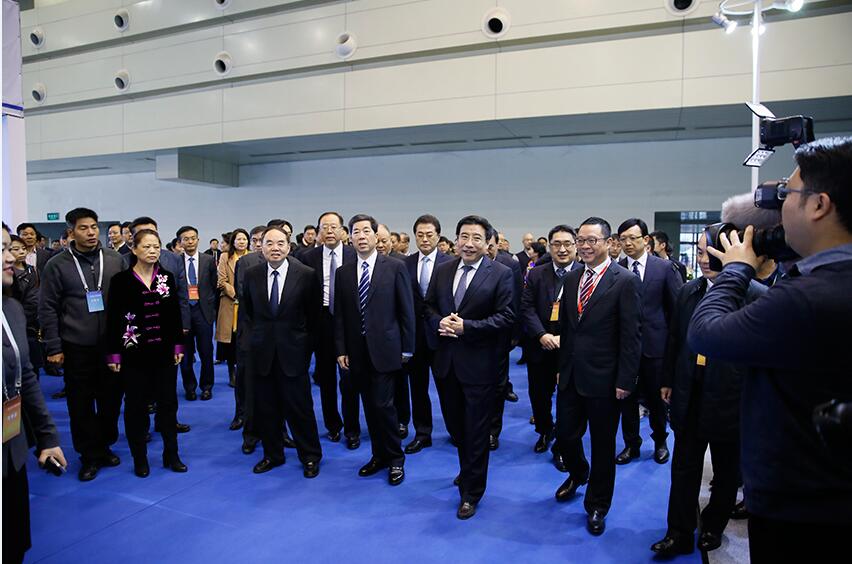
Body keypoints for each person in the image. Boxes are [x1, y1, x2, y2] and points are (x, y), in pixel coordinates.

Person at [687, 137, 852, 561]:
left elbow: (705, 332)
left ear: (819, 205)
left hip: (801, 505)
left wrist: (736, 269)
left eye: (788, 194)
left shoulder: (809, 296)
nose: (780, 208)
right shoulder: (826, 283)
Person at [650, 232, 766, 557]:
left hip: (731, 398)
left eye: (709, 252)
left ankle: (714, 524)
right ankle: (679, 532)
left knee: (726, 470)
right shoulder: (690, 290)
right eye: (699, 252)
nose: (703, 259)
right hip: (689, 392)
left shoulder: (756, 295)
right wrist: (667, 379)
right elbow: (675, 339)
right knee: (683, 467)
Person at [553, 217, 642, 536]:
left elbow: (631, 336)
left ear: (608, 242)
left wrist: (625, 381)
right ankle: (579, 472)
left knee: (603, 446)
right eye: (581, 240)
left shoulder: (625, 281)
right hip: (571, 375)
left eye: (592, 240)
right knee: (565, 435)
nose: (585, 246)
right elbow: (567, 329)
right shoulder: (572, 277)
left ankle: (597, 504)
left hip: (606, 380)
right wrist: (561, 368)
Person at [425, 215, 515, 519]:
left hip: (480, 366)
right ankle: (467, 470)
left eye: (477, 238)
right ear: (455, 240)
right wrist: (439, 322)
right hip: (446, 364)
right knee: (456, 427)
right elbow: (428, 306)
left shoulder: (500, 274)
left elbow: (507, 317)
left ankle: (472, 492)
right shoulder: (443, 270)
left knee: (476, 431)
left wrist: (468, 327)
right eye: (464, 236)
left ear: (488, 243)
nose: (469, 243)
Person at [38, 208, 126, 481]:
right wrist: (53, 346)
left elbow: (128, 301)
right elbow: (47, 307)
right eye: (83, 228)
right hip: (76, 346)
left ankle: (105, 445)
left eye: (94, 227)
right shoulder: (57, 265)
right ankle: (89, 455)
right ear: (71, 232)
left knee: (111, 400)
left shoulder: (115, 260)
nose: (90, 233)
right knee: (81, 404)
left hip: (112, 345)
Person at [2, 223, 67, 564]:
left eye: (8, 248)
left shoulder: (10, 309)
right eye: (1, 250)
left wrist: (46, 437)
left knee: (13, 543)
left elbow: (26, 378)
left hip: (11, 444)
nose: (10, 257)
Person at [334, 214, 415, 485]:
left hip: (387, 350)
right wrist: (341, 349)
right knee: (369, 406)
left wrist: (407, 347)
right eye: (356, 232)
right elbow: (341, 315)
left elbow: (406, 311)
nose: (361, 236)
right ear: (350, 237)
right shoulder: (343, 273)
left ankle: (395, 459)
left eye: (366, 231)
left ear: (375, 235)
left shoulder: (394, 267)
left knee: (384, 405)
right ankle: (378, 456)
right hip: (357, 352)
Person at [240, 227, 323, 478]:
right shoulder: (252, 274)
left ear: (288, 247)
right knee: (266, 408)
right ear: (261, 247)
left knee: (300, 408)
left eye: (280, 243)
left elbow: (313, 318)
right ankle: (272, 454)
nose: (274, 248)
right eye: (269, 243)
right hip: (262, 353)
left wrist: (305, 349)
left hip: (294, 353)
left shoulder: (306, 275)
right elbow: (249, 313)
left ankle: (310, 456)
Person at [105, 229, 187, 477]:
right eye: (147, 246)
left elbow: (174, 314)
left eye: (156, 246)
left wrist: (178, 345)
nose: (152, 251)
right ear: (134, 249)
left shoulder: (166, 277)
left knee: (168, 405)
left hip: (164, 353)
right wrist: (113, 354)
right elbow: (113, 319)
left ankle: (171, 454)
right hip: (134, 354)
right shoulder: (121, 281)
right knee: (136, 407)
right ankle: (139, 458)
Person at [615, 218, 683, 465]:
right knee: (627, 401)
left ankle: (660, 442)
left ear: (646, 240)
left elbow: (676, 311)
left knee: (657, 401)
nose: (628, 243)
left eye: (633, 238)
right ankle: (631, 444)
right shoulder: (616, 270)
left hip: (656, 348)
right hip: (625, 350)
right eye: (623, 239)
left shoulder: (664, 268)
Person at [520, 225, 582, 459]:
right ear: (549, 247)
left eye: (567, 244)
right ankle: (544, 431)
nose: (562, 249)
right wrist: (541, 334)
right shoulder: (536, 273)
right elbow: (526, 308)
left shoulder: (585, 274)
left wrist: (565, 339)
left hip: (572, 349)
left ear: (575, 246)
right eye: (556, 244)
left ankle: (564, 445)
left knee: (569, 399)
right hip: (540, 345)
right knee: (539, 395)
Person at [301, 212, 360, 448]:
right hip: (321, 320)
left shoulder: (354, 254)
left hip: (349, 321)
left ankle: (352, 429)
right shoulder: (307, 257)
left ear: (343, 231)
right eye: (324, 227)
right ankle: (333, 425)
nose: (329, 231)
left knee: (349, 378)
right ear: (318, 232)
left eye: (334, 227)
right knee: (325, 378)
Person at [402, 214, 453, 454]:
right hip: (414, 337)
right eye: (420, 235)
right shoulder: (405, 264)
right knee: (417, 388)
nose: (424, 239)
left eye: (429, 235)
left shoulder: (451, 263)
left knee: (447, 387)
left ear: (438, 236)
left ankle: (455, 430)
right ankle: (423, 434)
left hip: (442, 335)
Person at [486, 230, 523, 451]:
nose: (487, 249)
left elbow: (516, 301)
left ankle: (493, 431)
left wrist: (515, 335)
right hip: (470, 336)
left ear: (497, 245)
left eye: (491, 245)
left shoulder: (509, 265)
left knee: (497, 385)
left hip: (500, 334)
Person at [177, 226, 218, 402]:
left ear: (198, 240)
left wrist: (211, 308)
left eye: (193, 238)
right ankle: (190, 388)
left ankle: (207, 387)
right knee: (186, 355)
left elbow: (214, 285)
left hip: (203, 312)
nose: (190, 242)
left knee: (206, 352)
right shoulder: (176, 261)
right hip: (183, 312)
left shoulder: (208, 260)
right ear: (180, 242)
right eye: (186, 239)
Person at [216, 229, 250, 399]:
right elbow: (221, 280)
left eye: (244, 239)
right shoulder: (225, 257)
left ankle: (246, 372)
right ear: (233, 242)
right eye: (238, 239)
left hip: (248, 303)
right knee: (231, 341)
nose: (242, 242)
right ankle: (232, 373)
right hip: (230, 302)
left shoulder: (253, 257)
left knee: (246, 339)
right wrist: (236, 294)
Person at [6, 236, 42, 374]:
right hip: (8, 325)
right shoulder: (6, 274)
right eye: (15, 249)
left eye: (23, 248)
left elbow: (33, 301)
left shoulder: (32, 271)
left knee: (30, 367)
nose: (21, 252)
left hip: (28, 325)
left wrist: (20, 319)